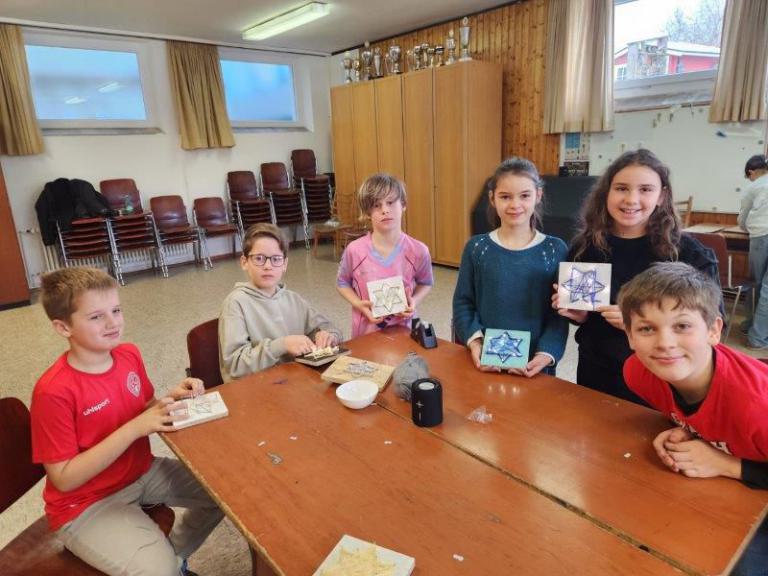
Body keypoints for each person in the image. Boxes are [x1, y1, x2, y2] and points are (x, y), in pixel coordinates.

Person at [31, 267, 223, 576]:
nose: (113, 323)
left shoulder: (128, 354)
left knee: (225, 493)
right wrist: (134, 428)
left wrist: (169, 400)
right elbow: (64, 478)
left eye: (116, 310)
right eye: (96, 317)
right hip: (86, 505)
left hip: (139, 471)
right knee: (156, 571)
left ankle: (175, 560)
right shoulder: (53, 391)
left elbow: (142, 408)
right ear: (63, 327)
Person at [618, 262, 768, 576]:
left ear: (714, 330)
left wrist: (727, 465)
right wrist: (687, 428)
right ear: (629, 335)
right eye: (647, 328)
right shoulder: (639, 373)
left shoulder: (755, 408)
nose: (664, 343)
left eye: (682, 326)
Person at [553, 148, 720, 404]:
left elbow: (713, 325)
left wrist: (639, 322)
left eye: (645, 189)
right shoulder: (584, 248)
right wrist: (579, 315)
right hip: (596, 372)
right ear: (606, 193)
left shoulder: (689, 254)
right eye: (621, 188)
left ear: (662, 195)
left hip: (663, 375)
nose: (631, 199)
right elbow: (583, 317)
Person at [453, 157, 568, 376]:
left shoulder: (555, 249)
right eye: (505, 196)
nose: (515, 205)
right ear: (492, 198)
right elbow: (463, 302)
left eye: (525, 195)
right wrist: (475, 343)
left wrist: (546, 354)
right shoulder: (476, 248)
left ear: (538, 196)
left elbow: (559, 314)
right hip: (486, 362)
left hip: (536, 365)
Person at [219, 223, 342, 381]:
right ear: (244, 262)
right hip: (256, 389)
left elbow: (329, 327)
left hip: (292, 382)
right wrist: (281, 345)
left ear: (284, 264)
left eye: (276, 259)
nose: (268, 266)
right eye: (259, 258)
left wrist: (330, 336)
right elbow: (234, 365)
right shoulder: (235, 303)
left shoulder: (293, 299)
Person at [337, 173, 433, 337]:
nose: (385, 210)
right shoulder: (354, 250)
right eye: (376, 205)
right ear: (367, 212)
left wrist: (414, 301)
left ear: (403, 204)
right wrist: (359, 304)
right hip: (366, 334)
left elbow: (426, 283)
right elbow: (342, 283)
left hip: (406, 331)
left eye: (390, 202)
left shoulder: (418, 250)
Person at [737, 154, 768, 348]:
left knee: (757, 283)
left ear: (751, 172)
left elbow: (742, 219)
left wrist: (749, 229)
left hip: (759, 238)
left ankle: (751, 328)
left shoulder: (754, 186)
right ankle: (757, 335)